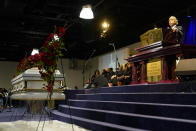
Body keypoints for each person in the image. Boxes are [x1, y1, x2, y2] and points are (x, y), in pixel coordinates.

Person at [165, 16, 184, 81]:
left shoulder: (179, 27)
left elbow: (181, 34)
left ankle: (177, 77)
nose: (169, 21)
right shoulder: (168, 30)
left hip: (176, 49)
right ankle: (170, 78)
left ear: (175, 21)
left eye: (171, 20)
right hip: (168, 50)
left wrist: (176, 30)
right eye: (169, 20)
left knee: (176, 64)